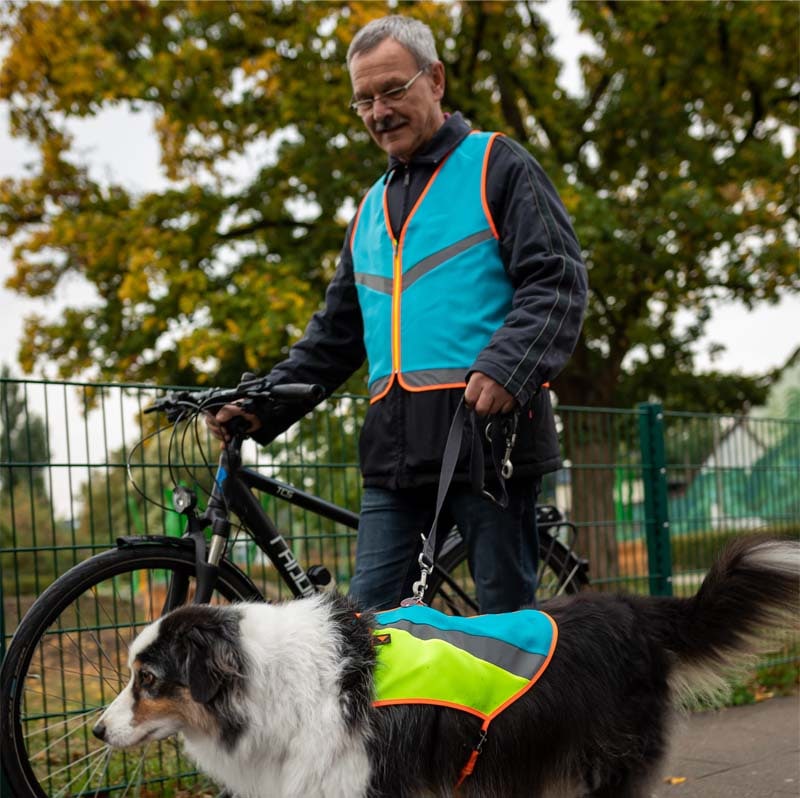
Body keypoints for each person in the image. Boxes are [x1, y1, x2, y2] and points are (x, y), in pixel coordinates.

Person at [207, 14, 587, 613]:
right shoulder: (369, 210)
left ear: (435, 80)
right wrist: (263, 403)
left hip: (488, 446)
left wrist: (507, 367)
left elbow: (558, 279)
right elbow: (334, 338)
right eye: (364, 100)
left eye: (392, 90)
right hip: (394, 459)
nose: (379, 111)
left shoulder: (498, 164)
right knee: (370, 636)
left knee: (506, 636)